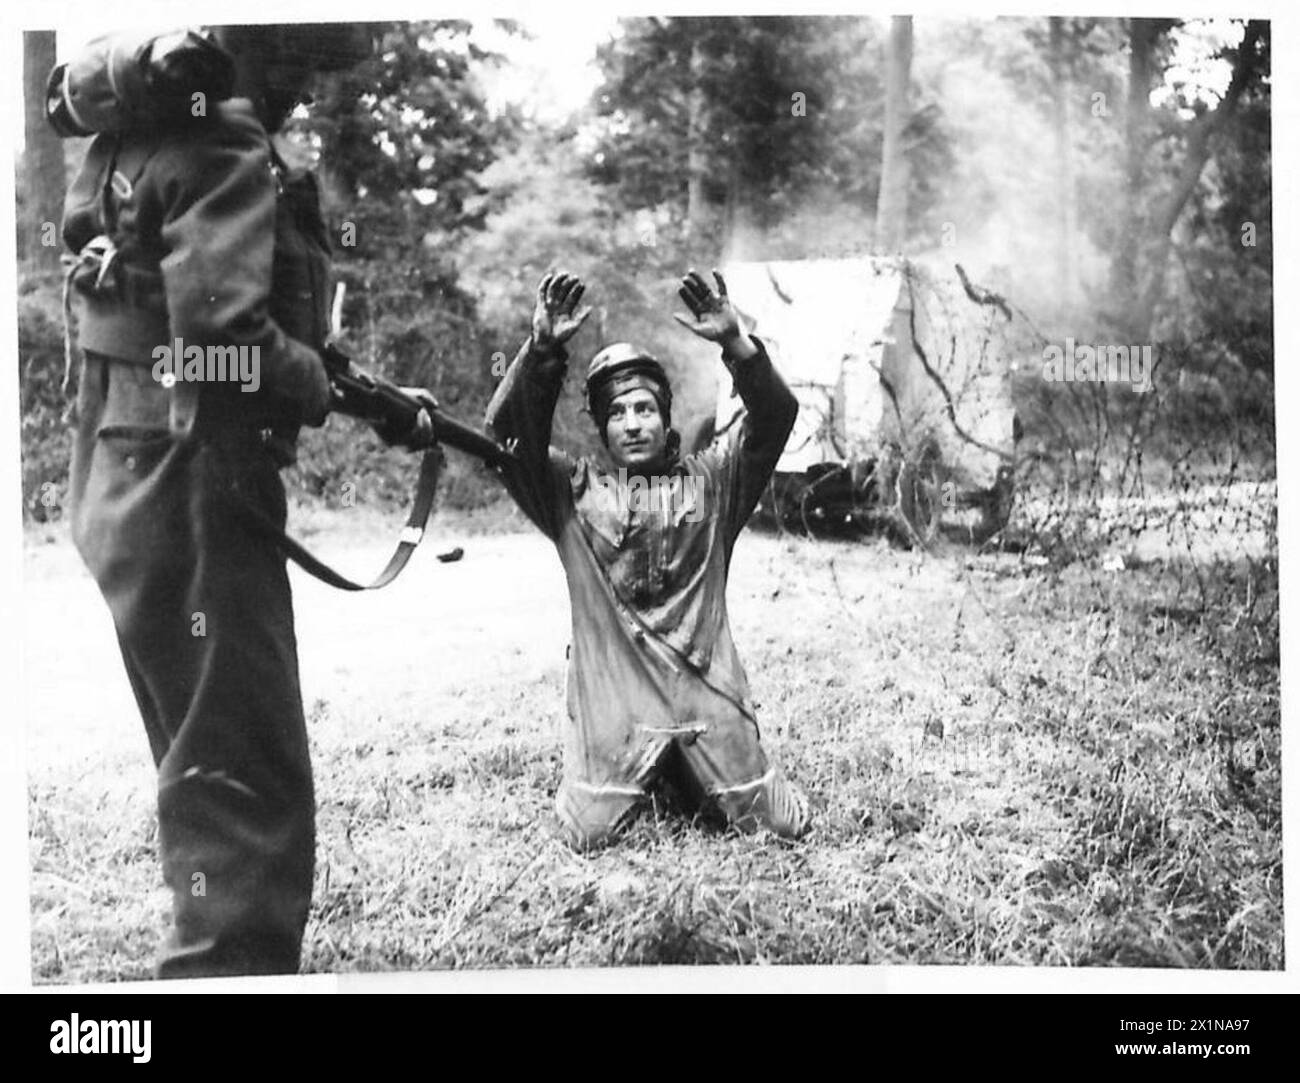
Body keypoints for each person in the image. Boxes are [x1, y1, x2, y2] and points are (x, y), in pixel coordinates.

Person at [60, 24, 372, 978]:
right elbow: (218, 344)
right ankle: (225, 969)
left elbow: (132, 300)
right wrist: (315, 382)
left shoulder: (123, 137)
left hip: (117, 467)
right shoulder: (227, 140)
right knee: (246, 767)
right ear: (267, 53)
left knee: (197, 748)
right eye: (307, 66)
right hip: (198, 479)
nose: (311, 91)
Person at [485, 269, 811, 849]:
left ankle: (692, 769)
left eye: (643, 408)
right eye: (616, 413)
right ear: (603, 431)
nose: (632, 423)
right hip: (616, 697)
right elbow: (506, 440)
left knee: (779, 826)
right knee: (587, 833)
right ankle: (656, 771)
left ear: (666, 418)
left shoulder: (716, 482)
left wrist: (737, 346)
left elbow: (775, 419)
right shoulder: (570, 492)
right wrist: (540, 352)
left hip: (702, 687)